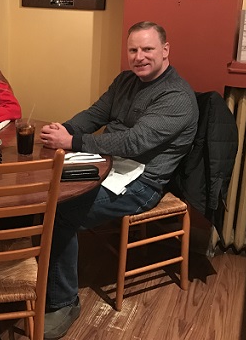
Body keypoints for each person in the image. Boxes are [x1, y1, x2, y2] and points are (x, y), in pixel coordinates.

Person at [39, 21, 199, 339]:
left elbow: (133, 143)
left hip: (143, 182)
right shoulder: (126, 80)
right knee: (43, 187)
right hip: (108, 163)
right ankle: (46, 271)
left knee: (58, 212)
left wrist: (74, 143)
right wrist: (65, 130)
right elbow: (96, 113)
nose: (139, 56)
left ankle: (63, 303)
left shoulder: (177, 97)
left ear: (165, 51)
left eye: (148, 49)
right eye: (133, 50)